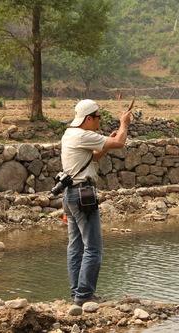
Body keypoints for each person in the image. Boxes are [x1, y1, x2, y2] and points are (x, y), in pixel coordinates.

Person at [61, 99, 132, 315]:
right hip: (83, 195)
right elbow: (120, 142)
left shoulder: (70, 134)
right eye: (98, 117)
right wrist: (124, 123)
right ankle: (85, 295)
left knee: (76, 247)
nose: (100, 121)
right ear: (89, 118)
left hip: (70, 195)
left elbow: (91, 158)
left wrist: (104, 145)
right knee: (93, 247)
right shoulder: (84, 135)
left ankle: (77, 293)